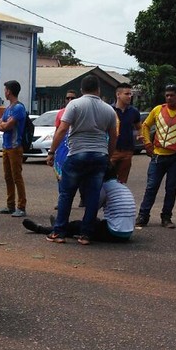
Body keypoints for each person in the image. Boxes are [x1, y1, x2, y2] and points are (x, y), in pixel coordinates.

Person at [45, 74, 118, 245]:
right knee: (92, 196)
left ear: (81, 90)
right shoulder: (108, 109)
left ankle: (59, 232)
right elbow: (113, 136)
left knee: (66, 194)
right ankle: (86, 235)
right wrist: (108, 155)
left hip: (77, 153)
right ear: (98, 90)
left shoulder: (74, 105)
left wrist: (52, 152)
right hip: (99, 155)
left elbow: (62, 129)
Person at [135, 82, 176, 228]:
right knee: (151, 187)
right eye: (167, 95)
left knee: (171, 189)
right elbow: (145, 125)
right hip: (158, 156)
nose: (169, 98)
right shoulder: (158, 110)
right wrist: (147, 143)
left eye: (172, 95)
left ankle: (166, 217)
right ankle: (143, 216)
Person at [22, 167, 135, 242]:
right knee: (94, 222)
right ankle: (60, 226)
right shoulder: (121, 186)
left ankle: (43, 229)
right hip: (127, 233)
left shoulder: (104, 187)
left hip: (113, 232)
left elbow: (93, 207)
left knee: (79, 225)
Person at [0, 79, 28, 217]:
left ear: (9, 91)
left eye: (6, 90)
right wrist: (4, 125)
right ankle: (10, 205)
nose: (4, 92)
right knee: (8, 176)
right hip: (6, 146)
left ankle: (21, 206)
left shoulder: (19, 108)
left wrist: (4, 125)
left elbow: (7, 126)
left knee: (16, 177)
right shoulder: (8, 108)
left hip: (15, 147)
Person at [110, 83, 142, 184]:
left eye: (130, 94)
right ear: (118, 95)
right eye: (127, 94)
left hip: (127, 151)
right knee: (107, 180)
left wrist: (140, 134)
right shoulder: (109, 110)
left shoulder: (134, 112)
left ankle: (119, 199)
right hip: (112, 151)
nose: (129, 96)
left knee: (122, 182)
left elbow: (139, 127)